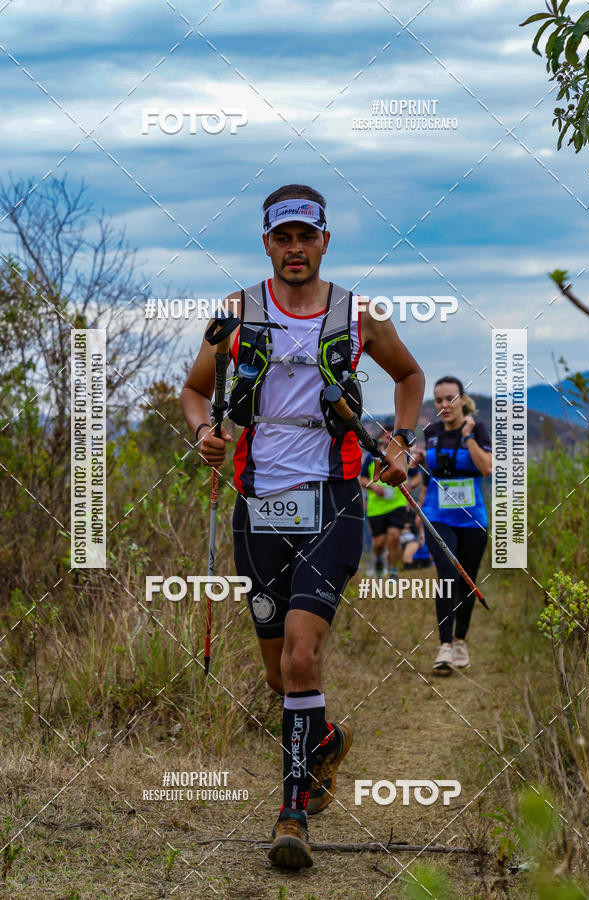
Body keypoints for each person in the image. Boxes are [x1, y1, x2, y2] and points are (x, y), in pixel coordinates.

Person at [181, 184, 425, 870]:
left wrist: (402, 440)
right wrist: (205, 432)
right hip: (259, 502)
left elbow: (410, 377)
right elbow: (195, 390)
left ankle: (292, 815)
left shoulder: (359, 316)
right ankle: (323, 744)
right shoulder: (237, 313)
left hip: (334, 498)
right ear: (266, 243)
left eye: (305, 237)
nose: (294, 250)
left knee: (300, 656)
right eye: (282, 238)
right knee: (277, 676)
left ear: (325, 240)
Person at [422, 377, 492, 672]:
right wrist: (416, 460)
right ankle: (445, 646)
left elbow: (486, 467)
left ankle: (461, 640)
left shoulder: (477, 429)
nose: (444, 405)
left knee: (467, 580)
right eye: (439, 400)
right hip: (437, 515)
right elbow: (429, 473)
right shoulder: (431, 432)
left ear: (463, 399)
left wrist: (469, 437)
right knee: (449, 573)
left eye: (450, 398)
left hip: (473, 519)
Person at [359, 431, 421, 577]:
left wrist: (410, 484)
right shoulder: (370, 459)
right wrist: (373, 487)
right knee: (379, 543)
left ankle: (393, 573)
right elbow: (362, 479)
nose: (389, 440)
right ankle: (379, 560)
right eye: (387, 437)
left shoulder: (403, 457)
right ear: (381, 439)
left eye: (392, 438)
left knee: (394, 537)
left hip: (397, 505)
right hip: (376, 508)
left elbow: (417, 476)